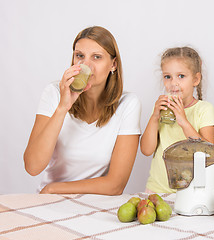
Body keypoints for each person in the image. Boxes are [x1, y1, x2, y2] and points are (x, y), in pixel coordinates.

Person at [23, 26, 141, 195]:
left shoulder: (128, 104)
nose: (86, 65)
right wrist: (62, 108)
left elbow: (115, 185)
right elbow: (33, 167)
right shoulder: (54, 93)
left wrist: (53, 188)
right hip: (50, 203)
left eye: (97, 57)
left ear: (113, 64)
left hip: (94, 204)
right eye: (79, 56)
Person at [140, 47, 214, 193]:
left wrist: (183, 121)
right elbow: (146, 150)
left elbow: (209, 153)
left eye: (181, 76)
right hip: (157, 189)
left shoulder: (204, 109)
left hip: (192, 191)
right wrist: (155, 117)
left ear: (195, 79)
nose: (173, 83)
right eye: (168, 77)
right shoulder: (161, 109)